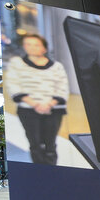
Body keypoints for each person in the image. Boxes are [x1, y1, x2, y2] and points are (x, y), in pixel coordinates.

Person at [8, 34, 70, 165]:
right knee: (35, 144)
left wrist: (49, 104)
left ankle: (51, 171)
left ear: (44, 48)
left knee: (50, 144)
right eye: (28, 44)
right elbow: (13, 86)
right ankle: (39, 172)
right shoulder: (16, 63)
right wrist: (36, 105)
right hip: (28, 110)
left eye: (36, 44)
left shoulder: (56, 66)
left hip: (53, 110)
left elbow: (62, 88)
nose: (31, 47)